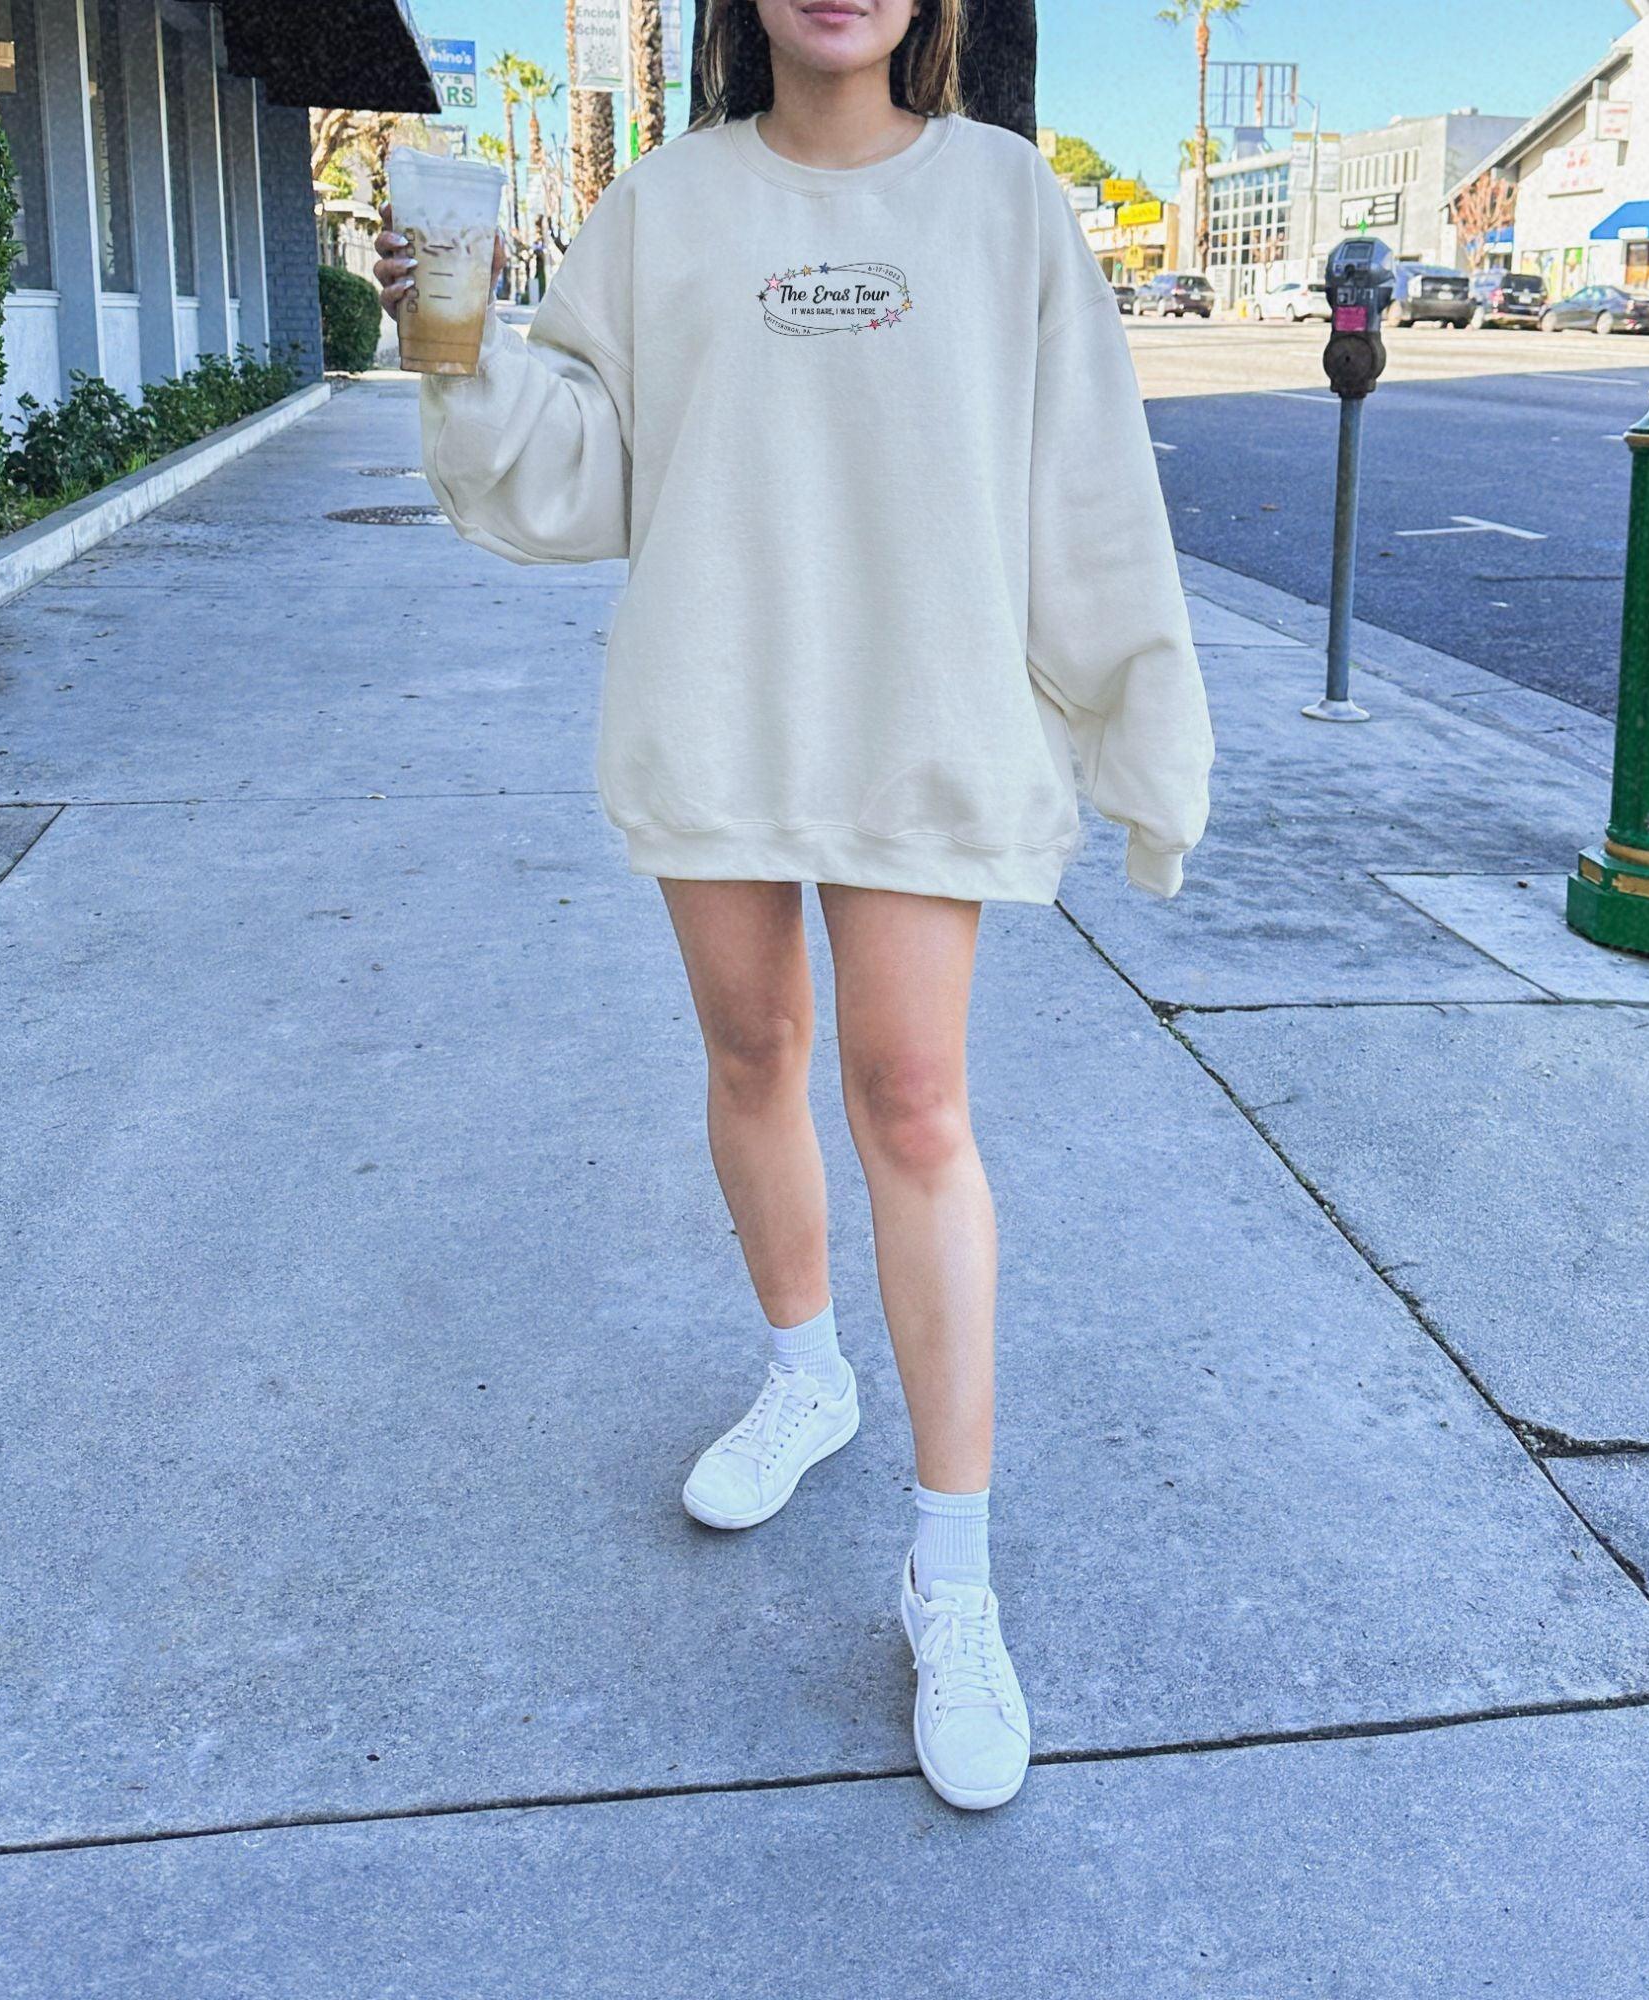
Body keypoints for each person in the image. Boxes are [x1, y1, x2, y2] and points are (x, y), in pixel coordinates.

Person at [374, 0, 1212, 1813]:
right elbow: (581, 469)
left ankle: (954, 1576)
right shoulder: (665, 211)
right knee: (754, 1048)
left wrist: (1142, 727)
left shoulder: (1006, 204)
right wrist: (454, 348)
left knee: (915, 1103)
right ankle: (800, 1375)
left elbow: (1088, 494)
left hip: (922, 719)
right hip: (720, 701)